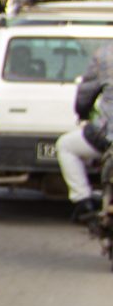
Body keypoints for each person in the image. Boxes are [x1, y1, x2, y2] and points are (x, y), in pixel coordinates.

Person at [57, 44, 112, 224]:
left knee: (65, 146)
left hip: (106, 135)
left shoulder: (105, 53)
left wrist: (82, 112)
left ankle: (83, 200)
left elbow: (86, 94)